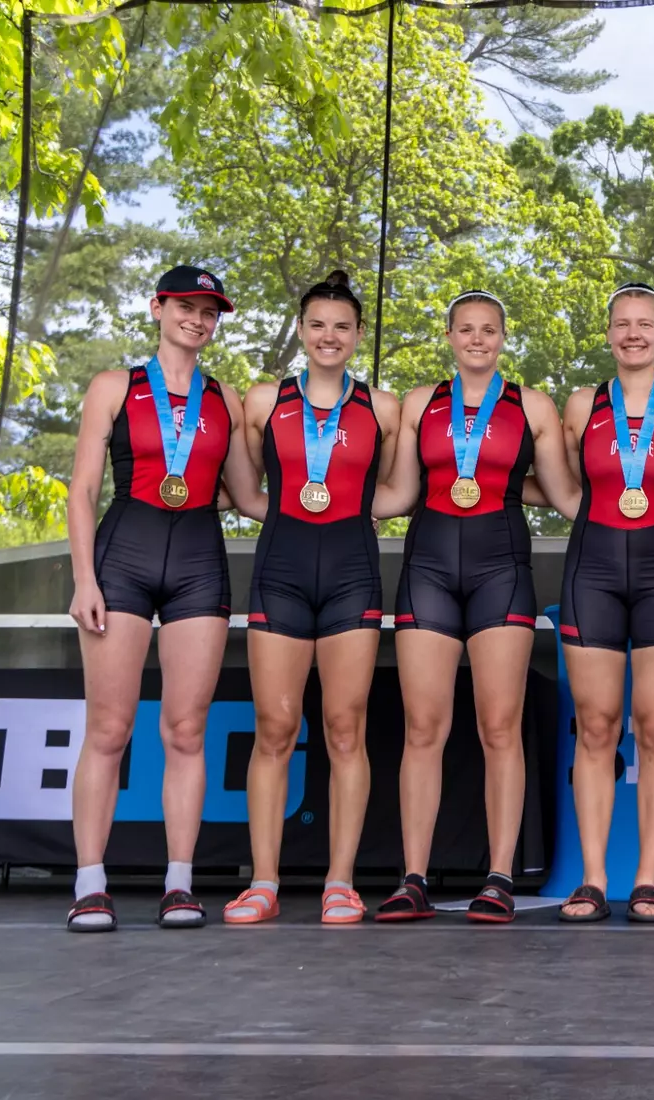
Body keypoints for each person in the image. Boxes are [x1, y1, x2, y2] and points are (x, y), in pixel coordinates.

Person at [64, 265, 264, 931]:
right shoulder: (113, 386)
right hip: (122, 559)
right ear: (158, 307)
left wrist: (339, 507)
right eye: (186, 306)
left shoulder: (224, 400)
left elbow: (248, 495)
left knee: (185, 729)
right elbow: (83, 489)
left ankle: (180, 883)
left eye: (210, 311)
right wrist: (84, 578)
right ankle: (90, 882)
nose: (198, 320)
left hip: (199, 564)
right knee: (109, 728)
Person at [370, 290, 578, 923]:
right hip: (428, 568)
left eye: (489, 330)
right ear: (450, 336)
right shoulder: (418, 404)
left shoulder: (531, 405)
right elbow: (399, 493)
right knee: (423, 729)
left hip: (501, 571)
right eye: (467, 329)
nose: (478, 339)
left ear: (503, 337)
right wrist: (309, 495)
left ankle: (499, 876)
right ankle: (412, 877)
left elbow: (568, 495)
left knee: (498, 728)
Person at [224, 270, 401, 926]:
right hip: (282, 570)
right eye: (318, 324)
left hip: (353, 572)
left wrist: (338, 511)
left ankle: (340, 882)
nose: (330, 335)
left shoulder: (383, 410)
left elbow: (389, 493)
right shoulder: (264, 400)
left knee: (344, 728)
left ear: (357, 336)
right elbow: (245, 493)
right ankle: (264, 881)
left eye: (342, 326)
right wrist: (297, 514)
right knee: (275, 728)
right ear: (302, 330)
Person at [555, 282, 654, 923]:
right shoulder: (579, 406)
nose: (632, 333)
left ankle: (648, 878)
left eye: (643, 324)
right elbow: (558, 480)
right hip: (591, 568)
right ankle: (594, 879)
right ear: (608, 334)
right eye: (621, 324)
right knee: (596, 727)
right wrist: (593, 518)